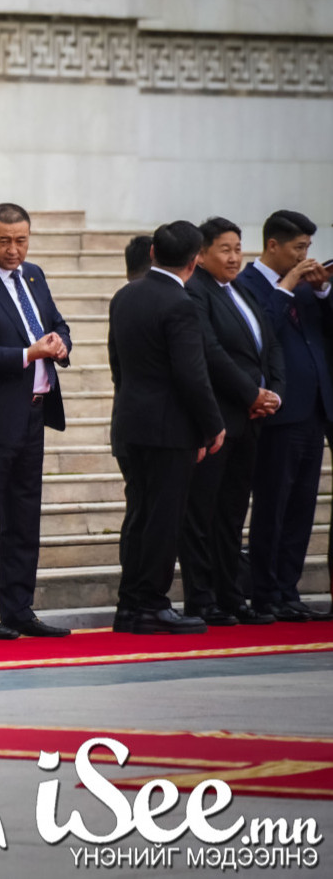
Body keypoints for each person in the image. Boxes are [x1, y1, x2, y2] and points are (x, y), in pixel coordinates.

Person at [0, 203, 72, 640]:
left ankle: (20, 607)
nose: (13, 250)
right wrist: (28, 354)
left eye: (21, 240)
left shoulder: (34, 275)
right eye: (4, 241)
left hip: (35, 413)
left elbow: (56, 323)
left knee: (25, 516)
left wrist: (60, 343)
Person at [109, 221, 225, 634]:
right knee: (163, 518)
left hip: (129, 423)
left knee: (139, 515)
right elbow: (191, 375)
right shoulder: (182, 303)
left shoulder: (125, 296)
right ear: (195, 261)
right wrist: (212, 425)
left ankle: (129, 605)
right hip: (168, 429)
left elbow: (117, 368)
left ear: (153, 250)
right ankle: (151, 605)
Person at [180, 218, 283, 626]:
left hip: (251, 419)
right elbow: (211, 351)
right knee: (203, 513)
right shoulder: (196, 292)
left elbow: (269, 345)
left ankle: (230, 595)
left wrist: (272, 393)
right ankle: (202, 599)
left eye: (238, 248)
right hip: (218, 419)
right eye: (225, 249)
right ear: (201, 254)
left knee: (233, 513)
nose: (235, 257)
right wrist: (249, 393)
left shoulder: (240, 290)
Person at [237, 210, 333, 622]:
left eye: (308, 248)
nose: (304, 255)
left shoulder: (310, 286)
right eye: (298, 248)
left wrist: (324, 292)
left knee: (302, 506)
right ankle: (265, 592)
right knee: (273, 505)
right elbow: (260, 333)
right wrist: (288, 286)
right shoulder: (246, 285)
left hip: (314, 409)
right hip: (276, 413)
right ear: (273, 245)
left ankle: (288, 590)